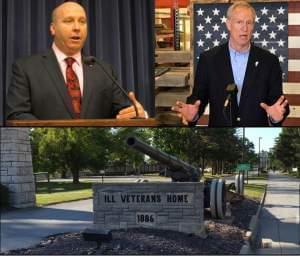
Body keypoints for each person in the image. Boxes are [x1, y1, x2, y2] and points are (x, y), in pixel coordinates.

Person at [6, 2, 146, 120]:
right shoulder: (26, 68)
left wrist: (138, 115)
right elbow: (16, 114)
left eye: (82, 21)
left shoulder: (103, 70)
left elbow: (123, 113)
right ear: (53, 28)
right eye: (68, 21)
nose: (77, 28)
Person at [172, 1, 289, 127]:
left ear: (253, 26)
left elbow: (278, 104)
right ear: (228, 24)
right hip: (220, 136)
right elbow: (198, 98)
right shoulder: (209, 59)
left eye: (249, 23)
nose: (244, 28)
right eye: (239, 22)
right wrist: (193, 115)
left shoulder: (269, 61)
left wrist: (276, 118)